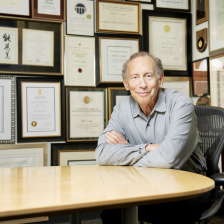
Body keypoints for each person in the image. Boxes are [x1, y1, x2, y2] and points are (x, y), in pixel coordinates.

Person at [95, 51, 211, 224]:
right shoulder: (122, 108)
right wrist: (148, 147)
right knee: (112, 211)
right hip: (143, 185)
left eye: (148, 76)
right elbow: (102, 154)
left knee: (167, 213)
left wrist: (125, 157)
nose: (142, 84)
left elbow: (168, 159)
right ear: (126, 84)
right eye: (134, 77)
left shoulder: (181, 104)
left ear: (160, 79)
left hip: (187, 188)